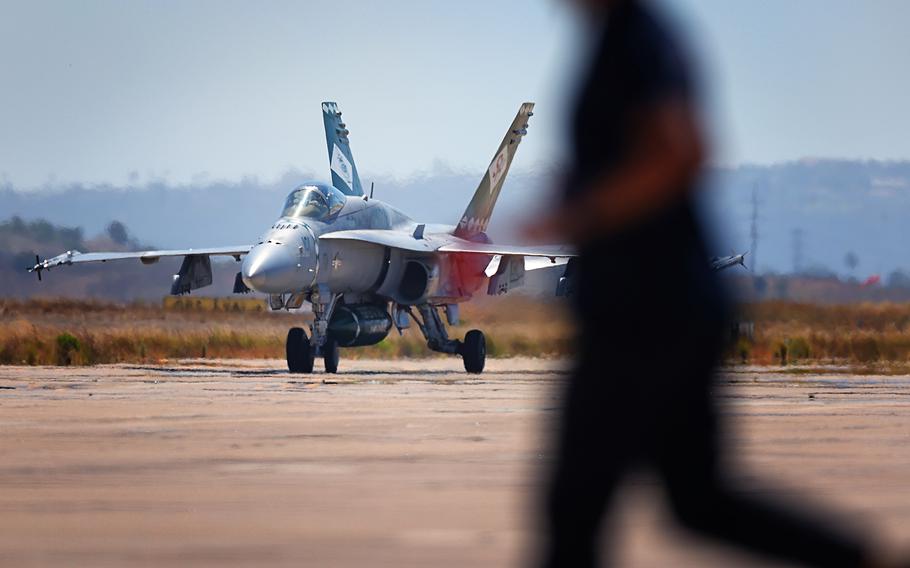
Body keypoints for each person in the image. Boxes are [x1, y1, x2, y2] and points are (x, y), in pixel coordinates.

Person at [524, 0, 895, 566]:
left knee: (575, 511)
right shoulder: (625, 38)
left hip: (647, 310)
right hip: (658, 307)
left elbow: (682, 151)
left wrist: (585, 212)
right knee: (698, 500)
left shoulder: (634, 41)